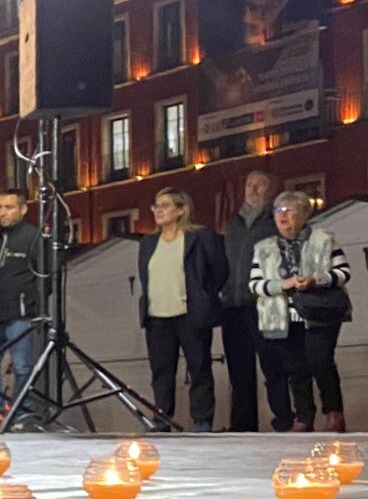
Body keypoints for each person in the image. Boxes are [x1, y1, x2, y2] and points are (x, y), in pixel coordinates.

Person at [251, 188, 352, 432]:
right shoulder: (264, 247)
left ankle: (333, 413)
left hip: (320, 313)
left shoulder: (323, 239)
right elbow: (254, 284)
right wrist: (281, 285)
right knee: (295, 368)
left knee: (321, 361)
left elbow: (343, 272)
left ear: (305, 213)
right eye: (278, 210)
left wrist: (316, 279)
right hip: (283, 316)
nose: (282, 216)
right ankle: (304, 417)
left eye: (289, 210)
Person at [136, 187, 226, 431]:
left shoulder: (200, 237)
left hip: (191, 314)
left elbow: (219, 271)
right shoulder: (148, 243)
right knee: (161, 372)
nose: (158, 211)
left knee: (199, 368)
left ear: (181, 209)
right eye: (156, 206)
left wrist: (203, 297)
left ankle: (202, 420)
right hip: (157, 317)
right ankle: (163, 418)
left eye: (165, 205)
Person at [218, 170, 290, 432]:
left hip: (265, 304)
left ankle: (284, 420)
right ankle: (243, 426)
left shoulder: (275, 222)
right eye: (250, 184)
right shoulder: (232, 224)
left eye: (261, 186)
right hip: (233, 306)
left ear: (271, 191)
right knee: (239, 371)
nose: (254, 189)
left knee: (274, 367)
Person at [0, 187, 42, 427]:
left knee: (22, 367)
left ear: (23, 210)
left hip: (19, 316)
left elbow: (47, 277)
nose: (2, 213)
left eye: (9, 207)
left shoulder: (33, 238)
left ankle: (23, 414)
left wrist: (31, 305)